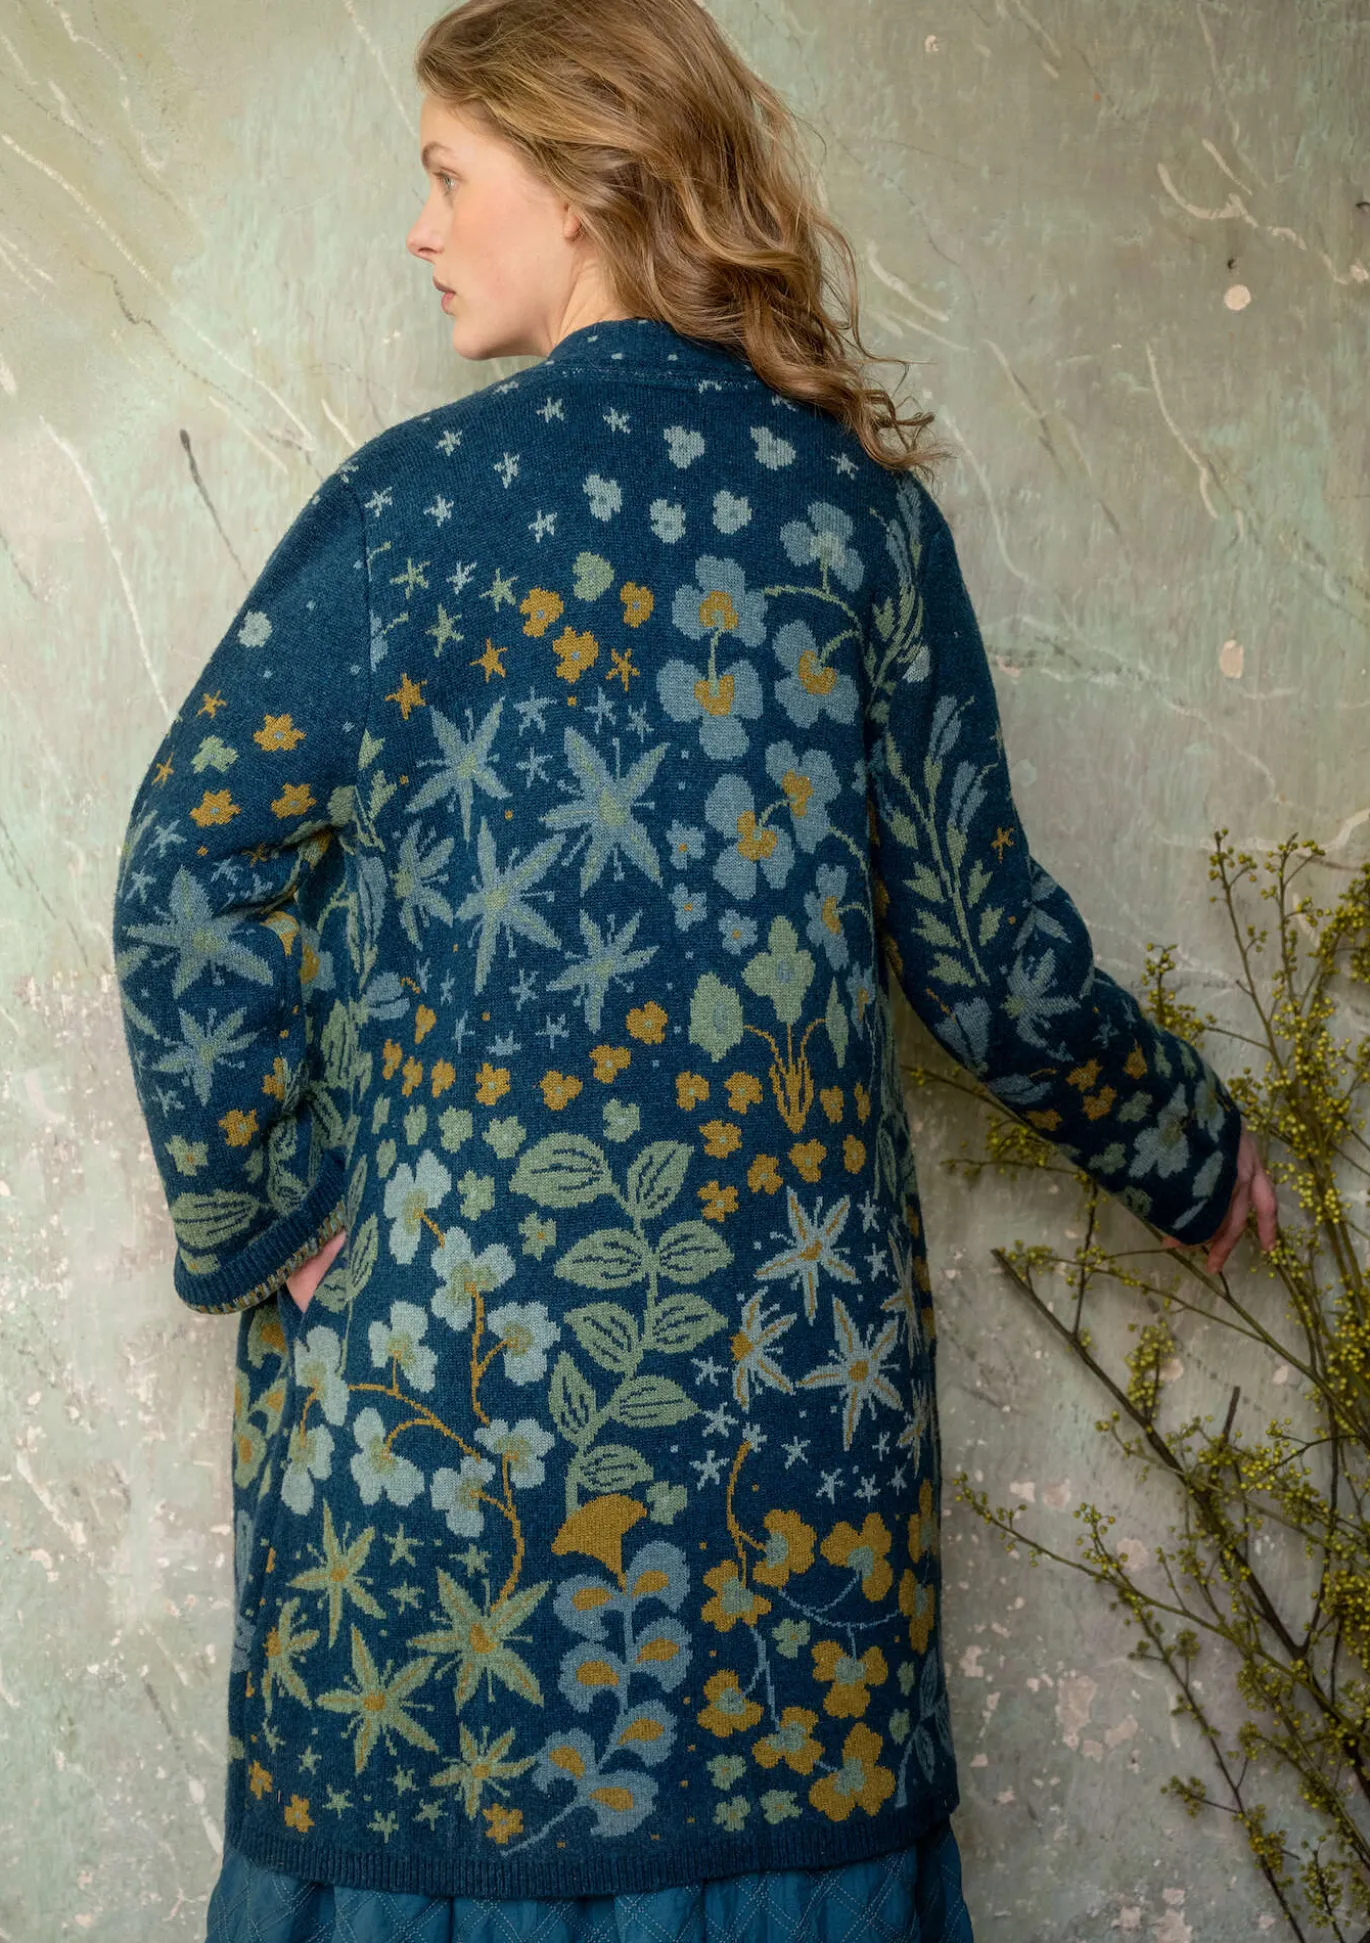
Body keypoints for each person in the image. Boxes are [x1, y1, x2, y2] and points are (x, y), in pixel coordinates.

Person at [109, 0, 1278, 1936]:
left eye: (445, 173)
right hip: (785, 1441)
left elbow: (187, 853)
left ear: (580, 186)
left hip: (442, 1439)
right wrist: (1183, 1144)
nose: (419, 227)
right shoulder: (855, 519)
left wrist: (265, 1195)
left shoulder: (410, 510)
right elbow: (982, 956)